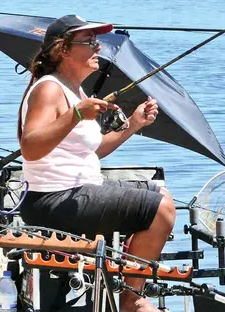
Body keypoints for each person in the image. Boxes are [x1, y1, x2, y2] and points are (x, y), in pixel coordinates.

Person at [17, 15, 175, 312]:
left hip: (80, 190)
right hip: (52, 200)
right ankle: (131, 299)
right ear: (63, 49)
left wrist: (133, 125)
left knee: (162, 195)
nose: (97, 47)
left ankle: (127, 280)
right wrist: (76, 114)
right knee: (161, 210)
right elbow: (30, 147)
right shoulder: (49, 89)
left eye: (96, 41)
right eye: (89, 42)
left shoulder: (76, 91)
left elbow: (92, 152)